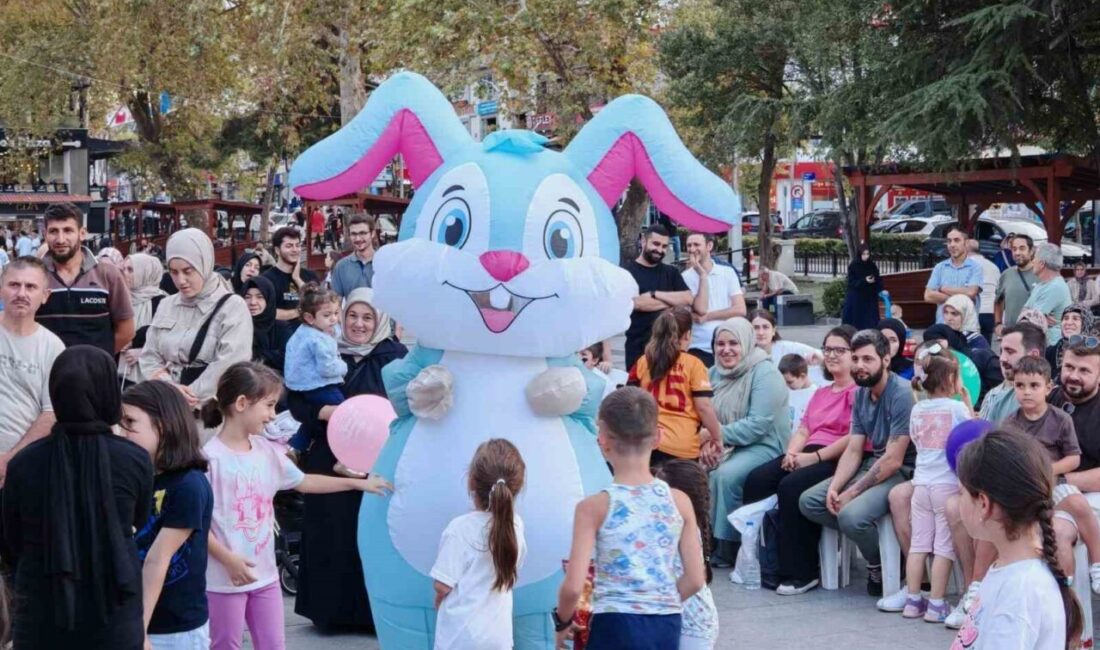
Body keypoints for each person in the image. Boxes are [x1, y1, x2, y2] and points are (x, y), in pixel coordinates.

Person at [199, 362, 391, 650]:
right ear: (241, 403)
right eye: (269, 405)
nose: (273, 415)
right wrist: (228, 560)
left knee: (274, 645)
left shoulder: (265, 451)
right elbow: (197, 525)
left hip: (265, 577)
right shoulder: (209, 460)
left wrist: (357, 484)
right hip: (224, 581)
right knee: (225, 645)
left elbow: (303, 482)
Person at [1, 346, 154, 649]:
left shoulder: (23, 463)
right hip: (115, 606)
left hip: (40, 612)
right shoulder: (134, 459)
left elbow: (11, 539)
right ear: (108, 391)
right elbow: (138, 519)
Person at [288, 287, 408, 629]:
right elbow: (296, 397)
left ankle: (373, 616)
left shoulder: (394, 357)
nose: (358, 324)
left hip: (379, 459)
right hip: (329, 456)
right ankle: (331, 613)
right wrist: (325, 413)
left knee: (373, 536)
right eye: (352, 316)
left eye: (367, 317)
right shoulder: (324, 346)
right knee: (332, 532)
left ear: (380, 320)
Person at [554, 387, 705, 650]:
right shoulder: (679, 501)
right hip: (665, 622)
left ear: (603, 440)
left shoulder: (593, 507)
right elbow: (694, 579)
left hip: (614, 622)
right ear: (658, 436)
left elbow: (573, 587)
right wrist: (658, 603)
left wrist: (561, 622)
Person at [741, 326, 860, 595]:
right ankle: (763, 561)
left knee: (791, 487)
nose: (831, 355)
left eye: (839, 350)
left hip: (837, 457)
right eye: (827, 349)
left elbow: (854, 438)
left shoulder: (857, 393)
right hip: (806, 449)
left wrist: (812, 458)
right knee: (758, 479)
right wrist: (793, 453)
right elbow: (805, 428)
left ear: (854, 354)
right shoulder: (821, 392)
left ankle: (801, 571)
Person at [800, 329, 915, 597]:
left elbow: (893, 459)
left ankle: (884, 562)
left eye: (867, 359)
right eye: (856, 359)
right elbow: (853, 448)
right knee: (810, 501)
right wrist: (836, 487)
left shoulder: (901, 394)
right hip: (872, 465)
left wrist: (852, 492)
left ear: (885, 360)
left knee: (850, 515)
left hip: (903, 472)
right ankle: (879, 554)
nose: (859, 366)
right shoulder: (862, 393)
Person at [951, 428, 1083, 650]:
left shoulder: (1019, 592)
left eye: (961, 493)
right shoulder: (1010, 570)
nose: (958, 501)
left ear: (983, 503)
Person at [121, 381, 213, 649]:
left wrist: (138, 630)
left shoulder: (189, 484)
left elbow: (157, 560)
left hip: (175, 627)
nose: (122, 431)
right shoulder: (143, 477)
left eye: (130, 422)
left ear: (162, 426)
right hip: (140, 617)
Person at [1002, 356, 1100, 591]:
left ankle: (1092, 567)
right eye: (1069, 367)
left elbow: (1073, 458)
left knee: (1076, 505)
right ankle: (978, 587)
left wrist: (1048, 471)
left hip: (1060, 484)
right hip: (1026, 488)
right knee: (992, 516)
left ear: (1047, 387)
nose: (1027, 392)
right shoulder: (1011, 423)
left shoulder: (1059, 418)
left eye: (1084, 370)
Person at [707, 317, 791, 566]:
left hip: (764, 445)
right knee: (689, 469)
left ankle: (728, 545)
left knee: (725, 475)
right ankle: (701, 539)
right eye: (720, 344)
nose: (726, 349)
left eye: (734, 343)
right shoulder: (712, 373)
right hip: (722, 441)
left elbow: (759, 423)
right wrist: (707, 443)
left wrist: (715, 436)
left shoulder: (765, 373)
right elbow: (698, 414)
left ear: (746, 342)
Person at [139, 229, 253, 411]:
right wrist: (170, 390)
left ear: (204, 264)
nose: (181, 280)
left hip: (209, 414)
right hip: (167, 409)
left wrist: (188, 396)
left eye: (187, 271)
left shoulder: (232, 307)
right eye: (174, 272)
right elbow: (149, 355)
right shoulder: (166, 304)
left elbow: (230, 364)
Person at [431, 439, 527, 650]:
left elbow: (442, 584)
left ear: (471, 482)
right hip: (498, 637)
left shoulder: (460, 528)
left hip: (459, 638)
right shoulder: (516, 526)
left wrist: (439, 597)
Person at [897, 353, 970, 623]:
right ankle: (937, 604)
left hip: (921, 484)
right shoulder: (956, 409)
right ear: (950, 380)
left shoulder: (917, 409)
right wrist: (966, 401)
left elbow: (916, 440)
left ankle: (913, 600)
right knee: (942, 547)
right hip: (946, 485)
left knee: (918, 545)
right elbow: (972, 433)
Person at [627, 308, 722, 466]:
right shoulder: (694, 364)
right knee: (680, 491)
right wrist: (716, 437)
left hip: (645, 442)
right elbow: (704, 408)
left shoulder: (643, 362)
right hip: (681, 446)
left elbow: (628, 399)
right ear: (687, 334)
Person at [36, 202, 135, 354]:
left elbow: (126, 330)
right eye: (54, 231)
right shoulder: (34, 276)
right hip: (44, 374)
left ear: (82, 233)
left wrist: (98, 361)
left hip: (95, 374)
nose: (60, 239)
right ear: (45, 234)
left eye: (68, 230)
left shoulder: (108, 274)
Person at [0, 257, 65, 485]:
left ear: (45, 295)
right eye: (14, 285)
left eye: (31, 286)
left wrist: (10, 459)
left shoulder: (53, 347)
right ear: (1, 288)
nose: (22, 293)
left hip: (25, 466)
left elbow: (51, 412)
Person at [655, 460, 719, 650]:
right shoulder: (691, 525)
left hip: (691, 626)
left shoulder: (678, 528)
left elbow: (694, 580)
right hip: (695, 621)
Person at [284, 284, 346, 457]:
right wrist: (343, 367)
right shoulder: (319, 339)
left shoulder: (301, 333)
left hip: (301, 386)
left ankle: (295, 446)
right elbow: (327, 368)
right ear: (310, 318)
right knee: (345, 416)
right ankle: (344, 457)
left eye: (335, 313)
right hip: (321, 385)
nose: (333, 319)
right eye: (327, 315)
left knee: (315, 420)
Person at [621, 225, 692, 371]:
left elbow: (688, 298)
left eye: (664, 246)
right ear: (643, 241)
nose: (660, 250)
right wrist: (671, 302)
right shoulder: (627, 273)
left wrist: (655, 294)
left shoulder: (671, 272)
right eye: (656, 244)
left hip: (670, 349)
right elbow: (637, 303)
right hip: (638, 349)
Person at [681, 232, 746, 367]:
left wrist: (708, 316)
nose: (692, 249)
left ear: (709, 246)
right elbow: (687, 312)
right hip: (697, 346)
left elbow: (740, 309)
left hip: (727, 343)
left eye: (696, 245)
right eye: (689, 245)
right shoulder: (685, 277)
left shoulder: (727, 272)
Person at [119, 253, 167, 385]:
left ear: (145, 272)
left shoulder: (163, 303)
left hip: (152, 376)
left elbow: (168, 339)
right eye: (123, 269)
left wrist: (143, 352)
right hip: (121, 373)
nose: (125, 273)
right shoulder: (121, 298)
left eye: (130, 270)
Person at [261, 226, 319, 328]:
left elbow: (319, 303)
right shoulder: (266, 279)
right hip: (281, 339)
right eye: (289, 246)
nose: (295, 250)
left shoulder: (310, 276)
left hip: (309, 337)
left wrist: (297, 279)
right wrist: (300, 311)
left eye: (297, 245)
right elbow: (267, 312)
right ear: (277, 250)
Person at [924, 224, 982, 324]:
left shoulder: (975, 267)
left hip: (966, 328)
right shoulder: (940, 268)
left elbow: (971, 293)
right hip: (943, 327)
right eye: (949, 241)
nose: (952, 245)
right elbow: (928, 296)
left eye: (957, 240)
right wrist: (957, 301)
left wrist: (944, 289)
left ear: (966, 243)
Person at [749, 309, 825, 384]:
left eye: (765, 327)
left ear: (773, 331)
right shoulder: (745, 354)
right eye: (756, 328)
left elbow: (820, 356)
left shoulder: (790, 348)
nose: (761, 332)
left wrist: (821, 359)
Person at [1023, 242, 1072, 346]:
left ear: (1042, 263)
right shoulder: (1040, 285)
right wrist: (1030, 316)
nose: (1032, 261)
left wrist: (1030, 316)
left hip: (1051, 349)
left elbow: (1031, 325)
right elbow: (1024, 315)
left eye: (1034, 258)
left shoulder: (1055, 287)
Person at [241, 275, 288, 373]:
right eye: (248, 297)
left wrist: (255, 354)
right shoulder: (236, 327)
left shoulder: (282, 328)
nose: (253, 302)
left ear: (269, 299)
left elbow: (286, 359)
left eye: (260, 297)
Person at [994, 234, 1036, 337]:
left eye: (1022, 248)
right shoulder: (1006, 274)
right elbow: (998, 301)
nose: (1017, 253)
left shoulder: (1041, 274)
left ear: (1031, 251)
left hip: (1034, 336)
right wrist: (998, 324)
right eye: (1014, 249)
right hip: (1010, 335)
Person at [330, 215, 376, 299]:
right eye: (354, 234)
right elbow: (335, 303)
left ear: (372, 233)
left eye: (362, 233)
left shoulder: (384, 263)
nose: (358, 238)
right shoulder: (341, 266)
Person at [1045, 304, 1094, 383]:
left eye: (1075, 318)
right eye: (1065, 318)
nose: (1069, 322)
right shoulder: (1049, 352)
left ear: (1085, 323)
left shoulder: (1093, 354)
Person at [842, 244, 883, 330]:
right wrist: (865, 281)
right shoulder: (854, 265)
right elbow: (852, 282)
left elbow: (878, 278)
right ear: (859, 254)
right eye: (864, 254)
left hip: (870, 297)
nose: (866, 256)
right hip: (857, 297)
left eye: (867, 254)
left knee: (870, 320)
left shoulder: (871, 265)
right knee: (858, 320)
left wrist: (880, 288)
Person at [969, 239, 1001, 343]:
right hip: (989, 311)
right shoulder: (993, 266)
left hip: (972, 311)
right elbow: (999, 289)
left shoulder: (966, 266)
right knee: (986, 344)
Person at [779, 354, 817, 434]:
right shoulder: (787, 391)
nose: (786, 385)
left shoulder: (815, 394)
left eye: (790, 382)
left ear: (802, 376)